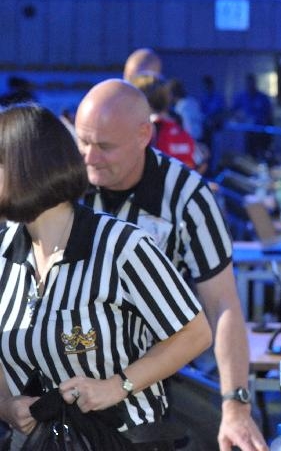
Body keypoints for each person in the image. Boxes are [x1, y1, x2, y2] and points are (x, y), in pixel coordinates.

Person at [0, 104, 212, 450]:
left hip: (124, 439)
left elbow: (194, 332)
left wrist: (118, 385)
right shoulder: (4, 251)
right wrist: (6, 405)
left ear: (28, 169)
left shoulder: (122, 246)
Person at [73, 80, 268, 451]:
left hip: (153, 372)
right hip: (68, 365)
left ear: (144, 134)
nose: (89, 158)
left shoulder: (187, 198)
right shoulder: (66, 183)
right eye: (82, 142)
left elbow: (222, 304)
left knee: (232, 431)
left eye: (105, 146)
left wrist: (236, 405)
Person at [230, 74, 274, 161]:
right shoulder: (242, 97)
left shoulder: (263, 97)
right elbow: (232, 110)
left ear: (255, 83)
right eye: (248, 83)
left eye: (252, 82)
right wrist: (239, 119)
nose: (250, 85)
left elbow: (269, 114)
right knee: (250, 154)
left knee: (263, 154)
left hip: (262, 132)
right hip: (249, 132)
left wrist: (266, 127)